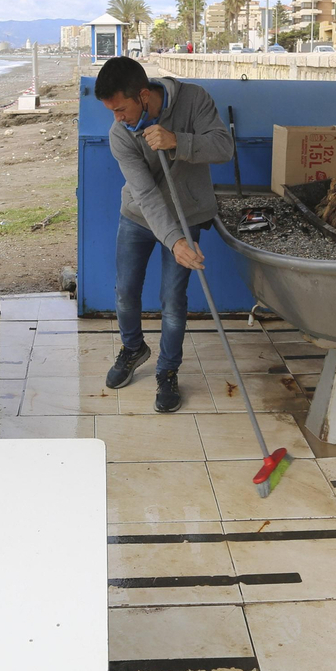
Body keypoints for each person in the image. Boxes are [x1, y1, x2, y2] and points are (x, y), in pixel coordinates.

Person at [93, 56, 233, 412]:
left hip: (188, 213)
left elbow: (223, 147)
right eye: (112, 112)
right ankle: (132, 348)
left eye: (122, 109)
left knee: (173, 301)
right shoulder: (119, 135)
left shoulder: (194, 99)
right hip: (139, 216)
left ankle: (167, 372)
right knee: (125, 292)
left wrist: (177, 142)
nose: (118, 119)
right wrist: (175, 241)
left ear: (143, 95)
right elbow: (147, 195)